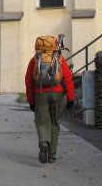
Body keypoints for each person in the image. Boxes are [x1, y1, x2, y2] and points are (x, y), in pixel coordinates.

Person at [25, 35, 75, 164]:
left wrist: (31, 101)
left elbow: (29, 82)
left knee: (42, 122)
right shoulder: (59, 59)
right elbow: (68, 78)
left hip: (40, 93)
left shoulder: (35, 60)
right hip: (57, 93)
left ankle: (44, 143)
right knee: (54, 122)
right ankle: (52, 154)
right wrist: (70, 98)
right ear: (54, 45)